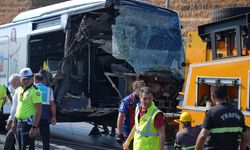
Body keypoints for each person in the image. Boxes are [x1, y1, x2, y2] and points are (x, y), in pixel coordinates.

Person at [195, 84, 247, 150]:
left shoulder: (211, 113)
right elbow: (245, 138)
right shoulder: (239, 113)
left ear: (213, 96)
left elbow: (202, 136)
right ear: (227, 96)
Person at [12, 68, 42, 150]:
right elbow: (18, 108)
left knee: (27, 148)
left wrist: (34, 127)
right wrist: (14, 122)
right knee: (21, 148)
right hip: (19, 124)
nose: (26, 81)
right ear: (20, 79)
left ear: (32, 78)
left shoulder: (35, 91)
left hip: (28, 125)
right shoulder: (19, 90)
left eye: (28, 79)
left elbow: (39, 109)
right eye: (24, 79)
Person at [116, 80, 145, 149]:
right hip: (128, 132)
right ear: (135, 89)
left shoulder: (143, 100)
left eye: (143, 89)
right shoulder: (127, 101)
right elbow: (120, 118)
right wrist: (120, 134)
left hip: (139, 133)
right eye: (140, 89)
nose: (142, 91)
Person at [34, 73, 56, 150]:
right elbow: (52, 104)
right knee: (45, 138)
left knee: (30, 137)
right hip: (45, 116)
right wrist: (54, 117)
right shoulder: (49, 90)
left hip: (34, 115)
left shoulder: (32, 89)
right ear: (43, 80)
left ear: (35, 80)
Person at [4, 74, 21, 150]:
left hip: (18, 120)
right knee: (12, 141)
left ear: (17, 81)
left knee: (11, 142)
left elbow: (15, 108)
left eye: (12, 83)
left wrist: (10, 120)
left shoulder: (18, 91)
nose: (12, 85)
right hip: (22, 120)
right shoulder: (25, 89)